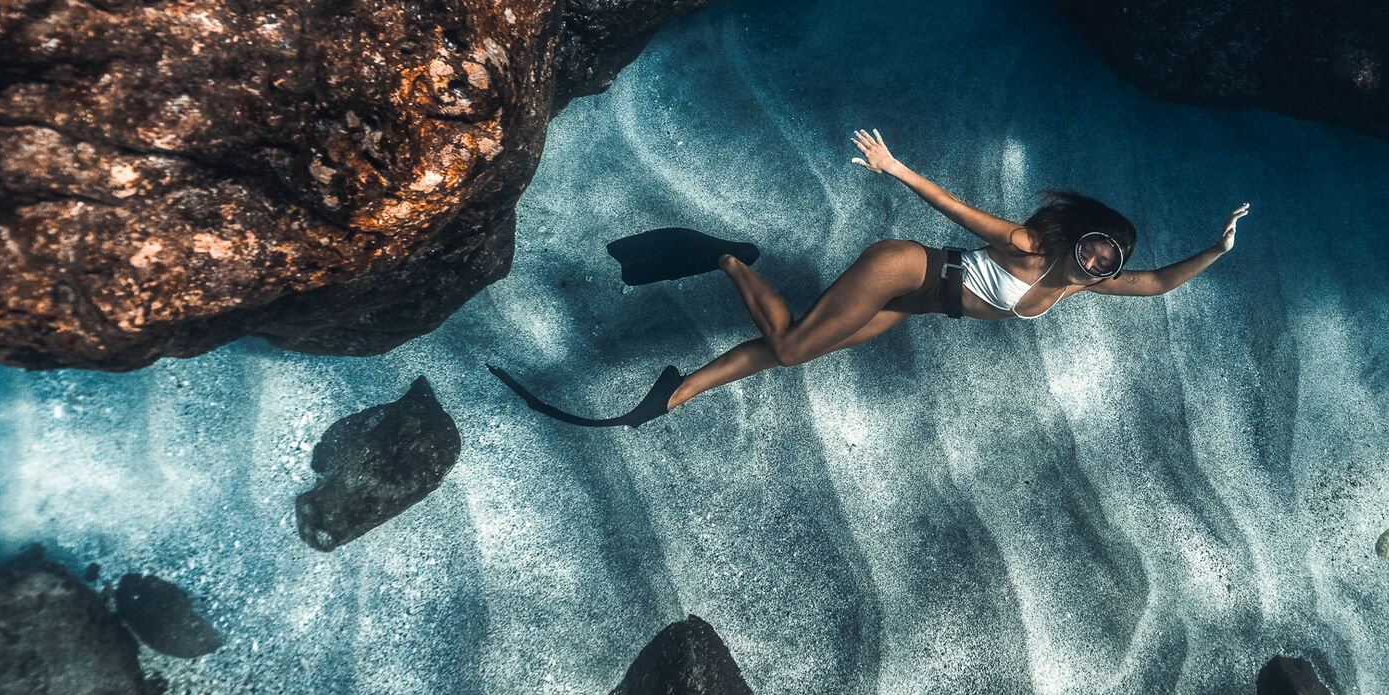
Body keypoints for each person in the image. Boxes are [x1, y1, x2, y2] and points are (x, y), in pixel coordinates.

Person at [492, 128, 1249, 427]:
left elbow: (1157, 285)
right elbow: (958, 210)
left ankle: (677, 391)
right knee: (793, 347)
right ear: (1081, 234)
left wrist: (1215, 249)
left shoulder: (1086, 285)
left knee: (797, 348)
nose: (1101, 262)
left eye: (1111, 259)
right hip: (903, 268)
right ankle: (723, 257)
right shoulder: (1028, 246)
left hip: (917, 305)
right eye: (1097, 247)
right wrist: (895, 167)